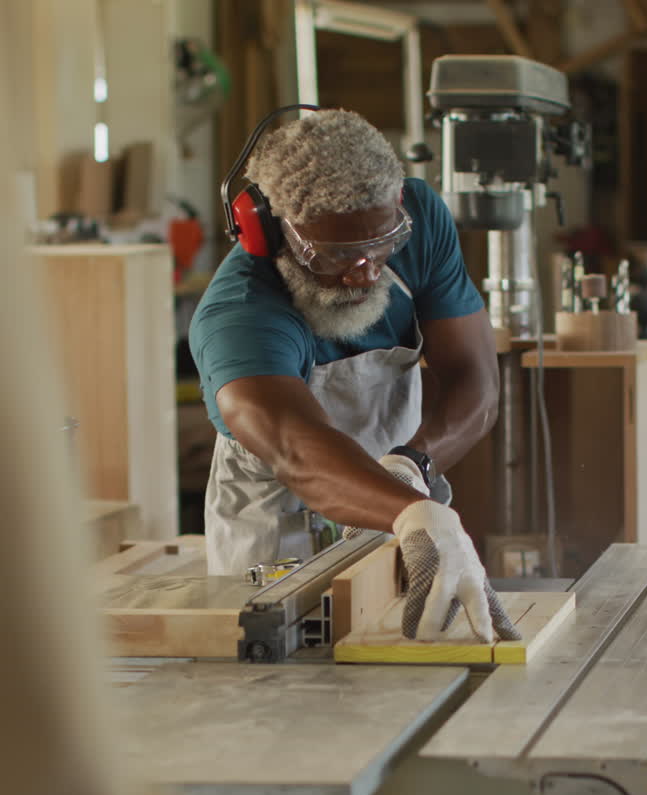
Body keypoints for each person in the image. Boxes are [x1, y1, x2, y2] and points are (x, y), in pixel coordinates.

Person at [190, 107, 504, 642]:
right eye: (337, 252)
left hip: (402, 512)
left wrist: (412, 467)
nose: (367, 269)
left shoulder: (419, 223)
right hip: (277, 546)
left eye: (382, 242)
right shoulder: (239, 317)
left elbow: (474, 381)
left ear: (400, 205)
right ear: (271, 231)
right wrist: (413, 513)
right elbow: (298, 453)